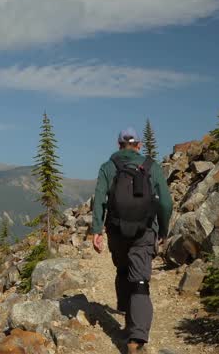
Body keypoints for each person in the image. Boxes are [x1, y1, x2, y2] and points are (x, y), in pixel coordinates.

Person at [90, 127, 173, 353]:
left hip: (116, 232)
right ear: (139, 145)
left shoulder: (108, 167)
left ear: (119, 145)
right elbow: (166, 203)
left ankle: (128, 321)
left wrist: (96, 229)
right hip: (144, 232)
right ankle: (137, 338)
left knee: (123, 271)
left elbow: (99, 200)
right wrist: (163, 230)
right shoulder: (151, 167)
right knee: (140, 281)